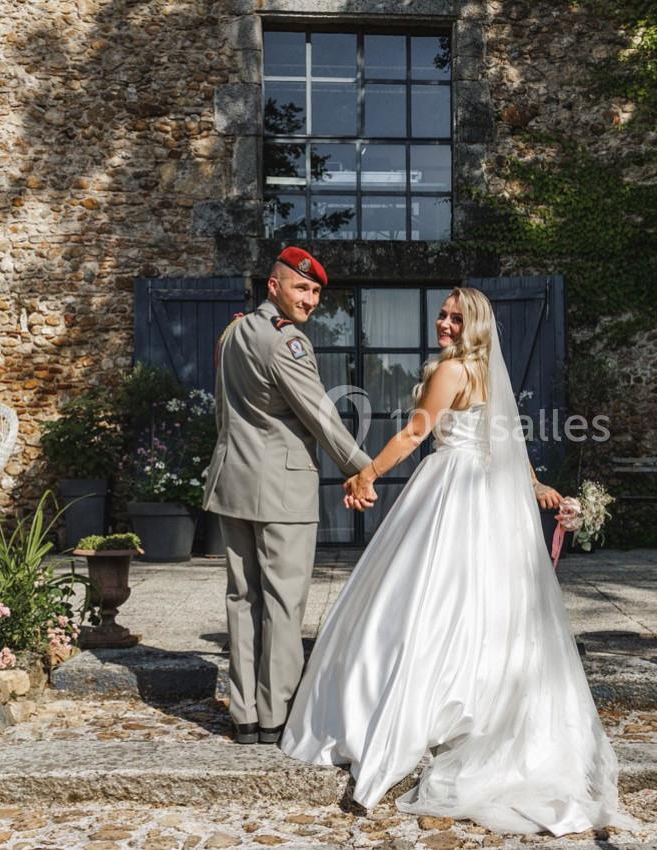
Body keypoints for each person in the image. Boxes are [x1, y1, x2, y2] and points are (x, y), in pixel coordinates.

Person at [280, 287, 628, 835]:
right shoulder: (488, 372)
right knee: (483, 600)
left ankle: (429, 700)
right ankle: (479, 700)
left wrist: (367, 473)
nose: (442, 321)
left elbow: (418, 432)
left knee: (428, 597)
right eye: (442, 313)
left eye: (454, 316)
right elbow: (507, 440)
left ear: (474, 325)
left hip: (452, 491)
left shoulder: (453, 371)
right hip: (492, 496)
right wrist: (535, 486)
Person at [203, 247, 374, 746]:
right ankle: (276, 714)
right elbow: (321, 415)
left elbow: (224, 413)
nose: (312, 299)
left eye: (317, 291)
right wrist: (366, 470)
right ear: (273, 286)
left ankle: (245, 716)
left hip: (233, 481)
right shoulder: (286, 342)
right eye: (303, 288)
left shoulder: (233, 331)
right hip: (281, 489)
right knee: (281, 601)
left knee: (242, 598)